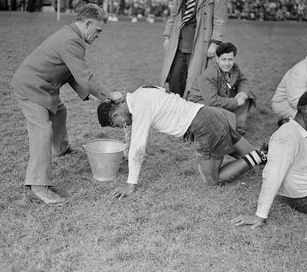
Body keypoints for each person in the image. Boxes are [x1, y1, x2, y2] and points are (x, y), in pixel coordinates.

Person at [11, 4, 123, 204]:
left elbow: (71, 71)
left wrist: (86, 94)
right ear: (88, 23)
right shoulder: (71, 41)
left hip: (43, 87)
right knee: (42, 131)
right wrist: (108, 95)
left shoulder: (72, 36)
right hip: (31, 87)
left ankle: (60, 149)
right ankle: (38, 186)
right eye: (98, 30)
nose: (99, 35)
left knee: (59, 112)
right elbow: (84, 75)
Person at [97, 85, 267, 199]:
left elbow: (138, 147)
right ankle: (265, 155)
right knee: (259, 157)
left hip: (206, 126)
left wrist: (130, 185)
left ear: (115, 115)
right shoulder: (140, 92)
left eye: (117, 125)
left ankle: (258, 156)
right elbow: (142, 136)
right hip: (210, 114)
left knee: (212, 179)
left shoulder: (140, 106)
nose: (123, 126)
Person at [232, 91, 307, 228]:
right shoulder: (286, 137)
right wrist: (260, 215)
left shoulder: (303, 128)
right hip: (304, 197)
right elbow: (273, 175)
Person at [160, 0, 227, 99]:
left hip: (200, 45)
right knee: (175, 81)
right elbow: (174, 14)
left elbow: (219, 20)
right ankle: (176, 109)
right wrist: (167, 36)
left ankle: (191, 110)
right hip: (179, 45)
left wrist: (215, 43)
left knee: (194, 83)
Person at [188, 42, 256, 135]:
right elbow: (212, 100)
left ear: (234, 59)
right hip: (200, 101)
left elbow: (243, 80)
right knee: (230, 116)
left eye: (230, 59)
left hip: (220, 95)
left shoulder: (235, 67)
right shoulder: (209, 74)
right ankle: (228, 134)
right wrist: (235, 102)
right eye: (223, 59)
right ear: (217, 59)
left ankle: (238, 127)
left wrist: (243, 93)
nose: (227, 63)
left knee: (247, 95)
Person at [271, 54, 307, 124]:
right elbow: (295, 101)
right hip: (285, 104)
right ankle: (288, 123)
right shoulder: (299, 71)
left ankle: (288, 123)